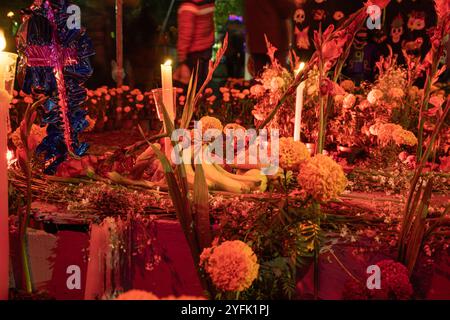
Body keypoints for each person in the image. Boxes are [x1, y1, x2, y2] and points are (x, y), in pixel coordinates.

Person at [244, 0, 295, 77]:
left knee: (260, 79)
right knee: (277, 81)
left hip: (256, 40)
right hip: (274, 40)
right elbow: (285, 9)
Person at [173, 0, 215, 86]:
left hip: (192, 56)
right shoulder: (207, 3)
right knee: (202, 87)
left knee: (190, 90)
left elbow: (185, 35)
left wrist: (182, 60)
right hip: (206, 51)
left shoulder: (188, 6)